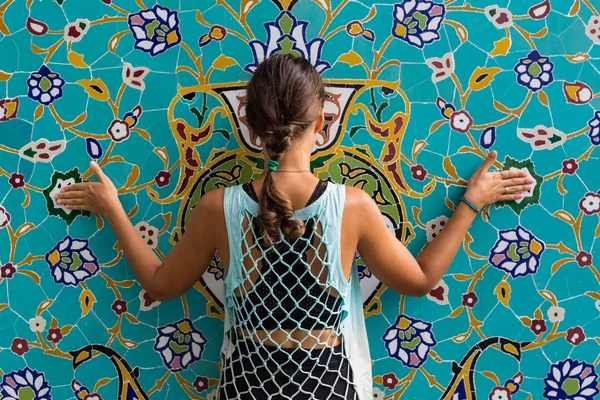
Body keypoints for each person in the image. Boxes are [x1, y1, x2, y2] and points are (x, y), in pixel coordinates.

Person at [55, 54, 534, 400]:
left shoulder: (216, 207)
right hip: (330, 388)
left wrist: (113, 209)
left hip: (247, 388)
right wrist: (473, 201)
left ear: (251, 122)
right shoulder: (354, 207)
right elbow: (422, 280)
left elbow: (160, 285)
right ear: (323, 119)